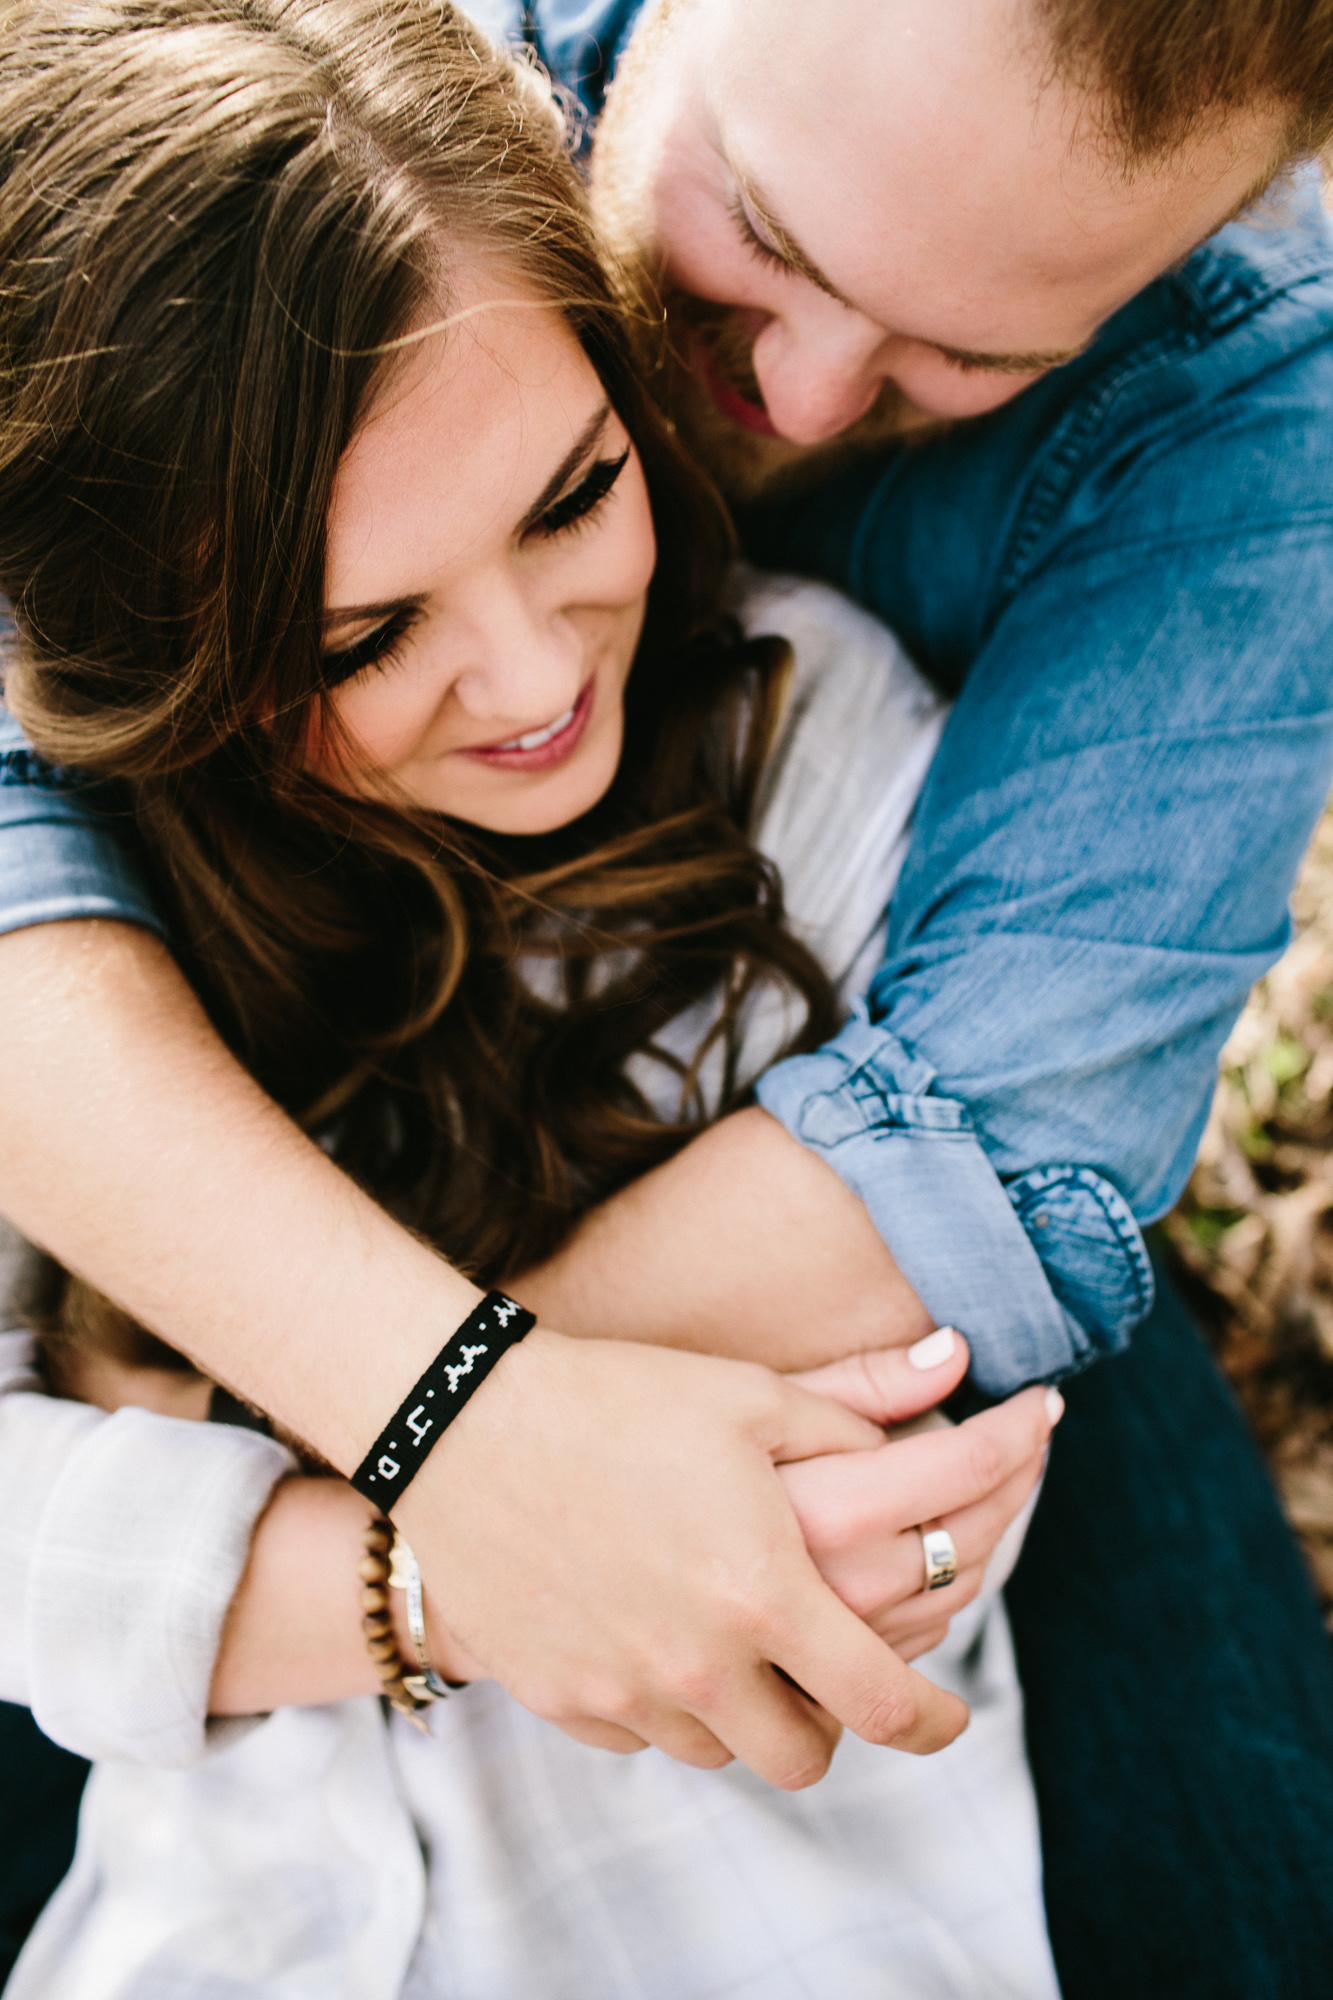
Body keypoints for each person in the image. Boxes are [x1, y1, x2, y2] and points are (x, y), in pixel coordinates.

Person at [3, 0, 1333, 1982]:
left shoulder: (1196, 460)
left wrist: (327, 1490)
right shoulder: (259, 159)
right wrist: (440, 1498)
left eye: (980, 355)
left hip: (812, 1208)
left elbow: (989, 1167)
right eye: (762, 242)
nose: (793, 406)